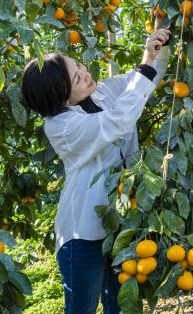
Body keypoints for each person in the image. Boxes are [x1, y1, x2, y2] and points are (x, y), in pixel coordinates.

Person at [21, 16, 171, 314]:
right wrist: (146, 64)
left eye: (80, 67)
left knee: (120, 304)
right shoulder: (62, 125)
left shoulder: (102, 91)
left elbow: (144, 79)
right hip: (83, 235)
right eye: (77, 79)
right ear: (59, 99)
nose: (86, 74)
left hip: (121, 224)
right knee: (82, 309)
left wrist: (156, 48)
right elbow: (116, 121)